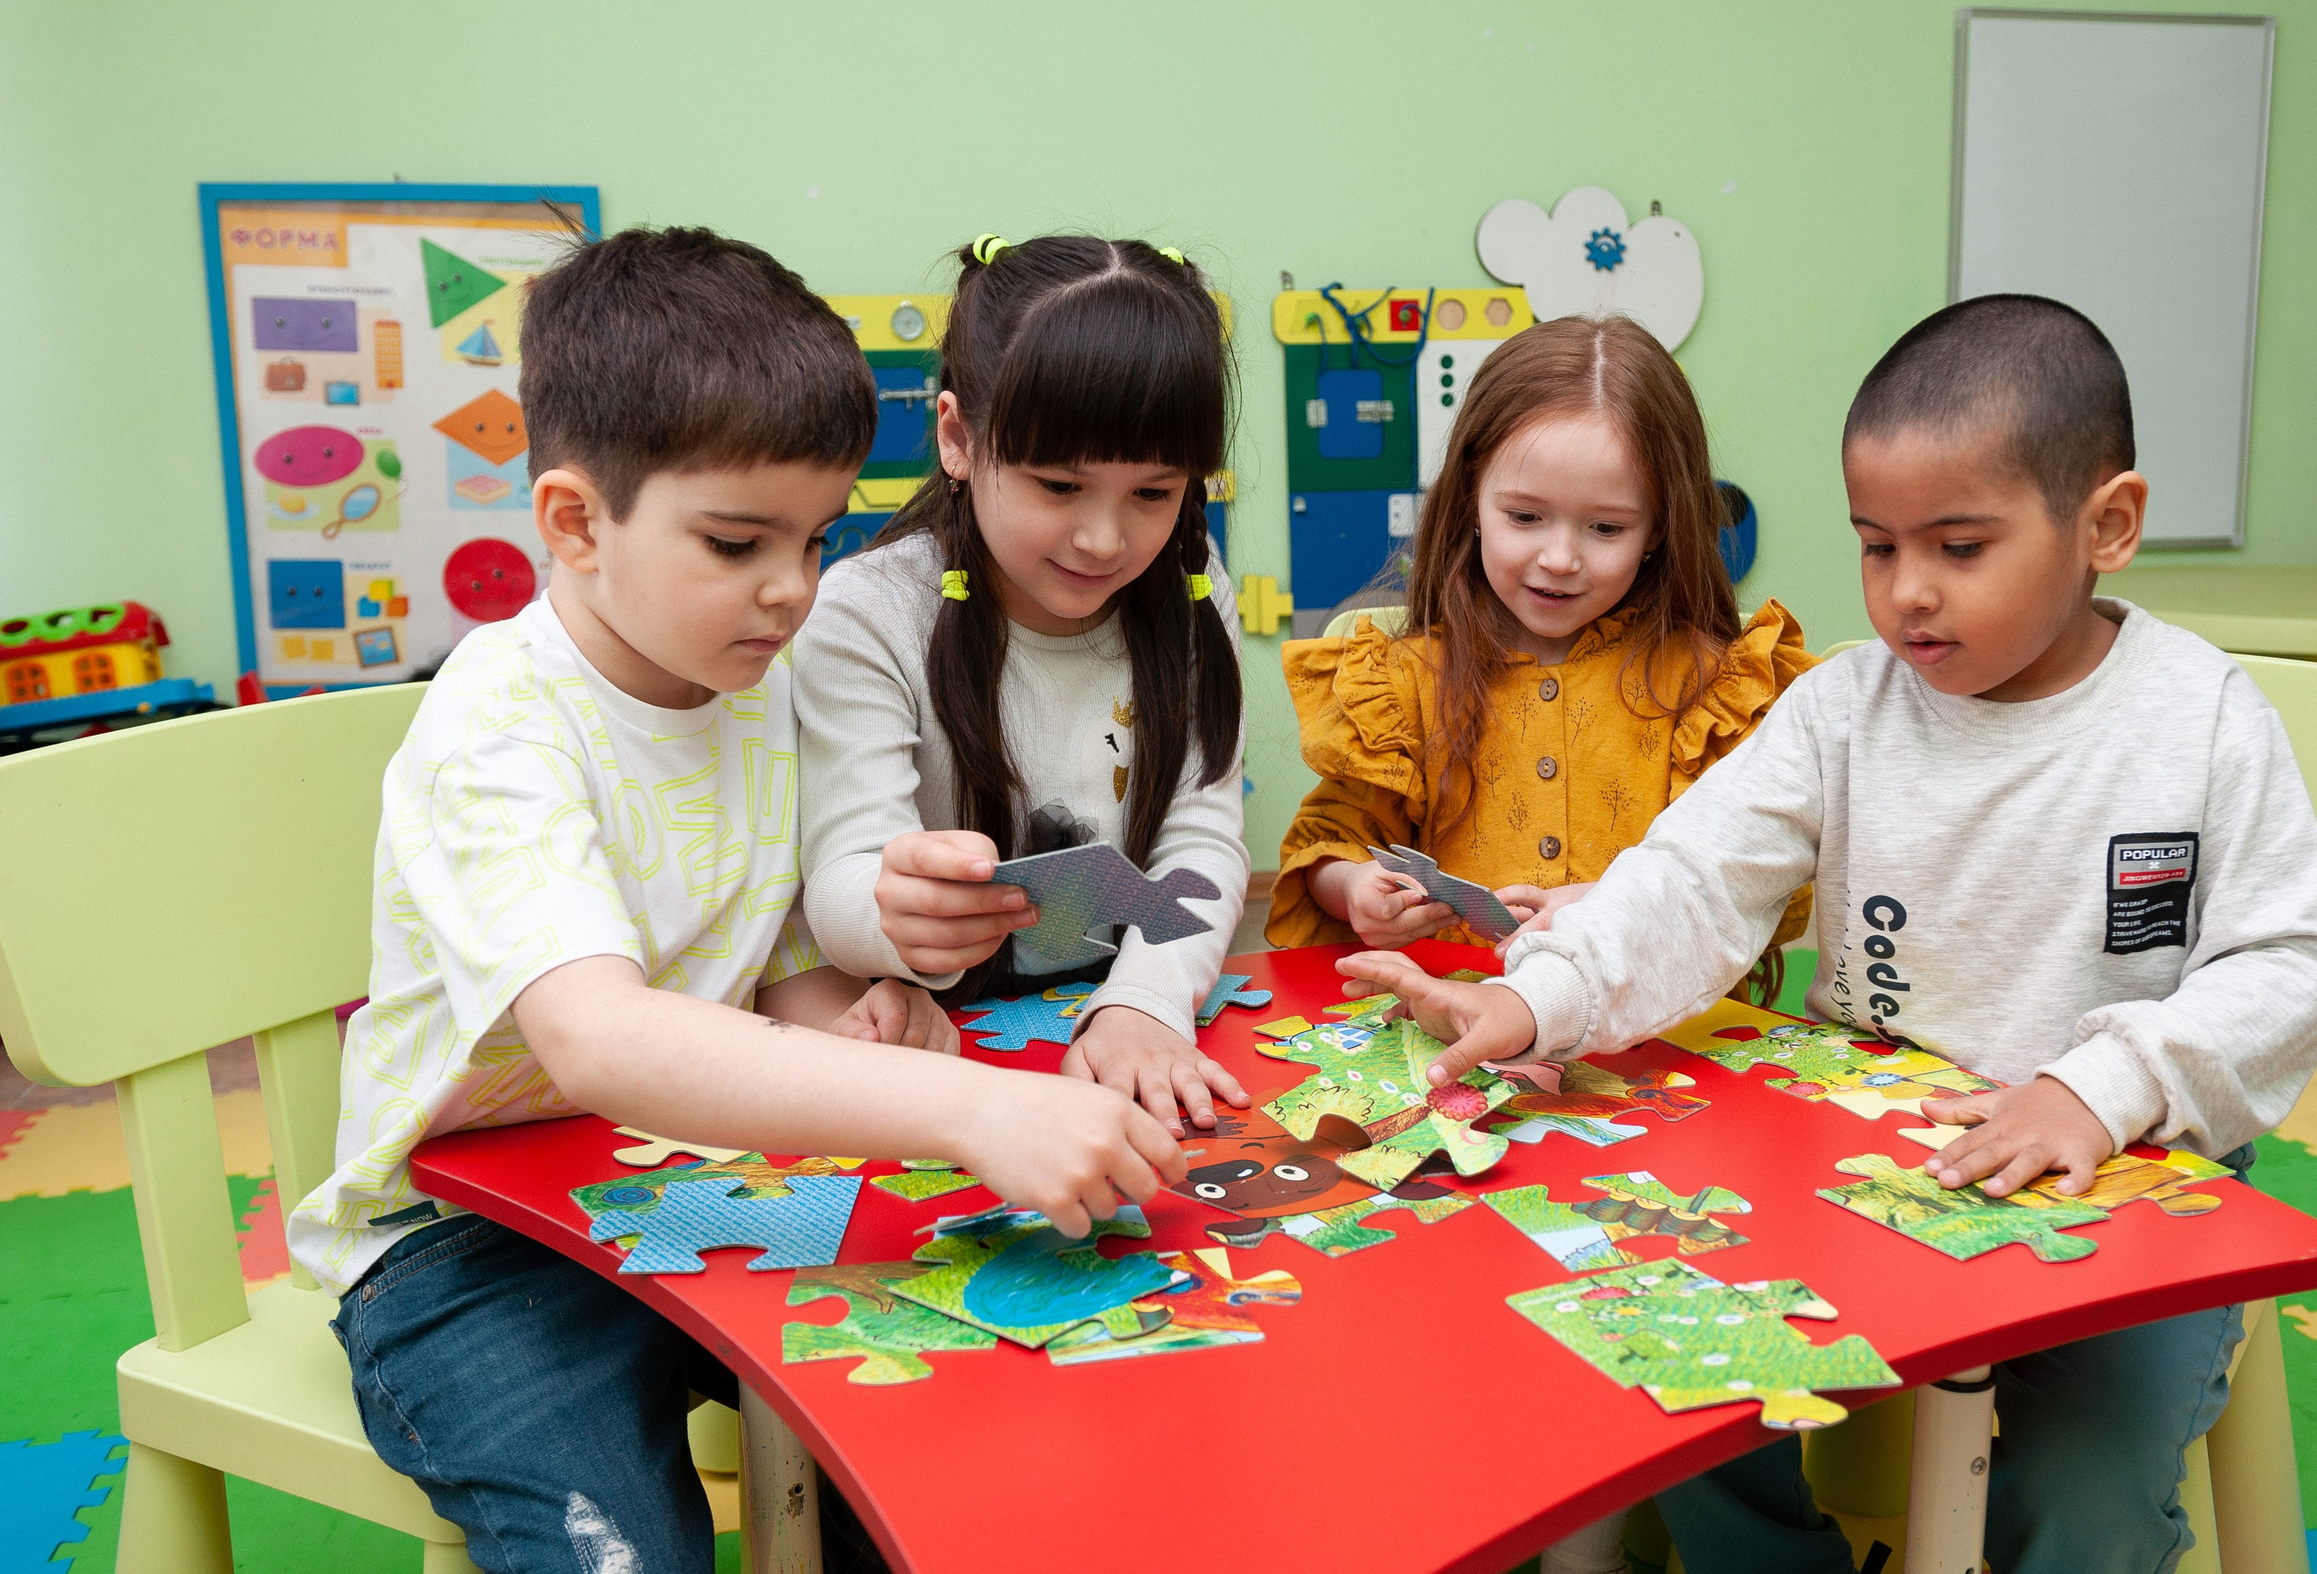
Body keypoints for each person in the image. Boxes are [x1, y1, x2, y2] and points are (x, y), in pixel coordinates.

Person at [1346, 295, 2317, 1574]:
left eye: (1959, 545)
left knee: (2079, 1480)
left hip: (2131, 1173)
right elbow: (1693, 877)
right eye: (1876, 546)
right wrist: (1534, 997)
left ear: (2106, 525)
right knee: (1674, 1353)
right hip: (1858, 1158)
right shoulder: (1842, 707)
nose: (1907, 592)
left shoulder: (2200, 717)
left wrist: (2099, 1088)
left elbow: (2291, 963)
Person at [289, 227, 1183, 1574]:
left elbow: (767, 958)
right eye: (735, 541)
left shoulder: (751, 688)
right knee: (626, 1549)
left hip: (688, 1181)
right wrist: (970, 1103)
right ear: (575, 523)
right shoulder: (499, 728)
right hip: (465, 1244)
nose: (793, 588)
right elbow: (601, 1036)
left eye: (817, 538)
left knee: (947, 1452)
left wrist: (851, 1015)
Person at [794, 233, 1253, 1135]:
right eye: (1058, 484)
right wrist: (899, 918)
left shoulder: (1193, 590)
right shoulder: (866, 612)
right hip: (936, 1052)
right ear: (958, 438)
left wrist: (1146, 1003)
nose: (1104, 540)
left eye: (1153, 494)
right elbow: (843, 877)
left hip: (1125, 1015)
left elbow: (1203, 835)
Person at [1266, 315, 1813, 1008]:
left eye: (1606, 527)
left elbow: (1765, 882)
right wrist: (1354, 890)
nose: (1559, 558)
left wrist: (1629, 904)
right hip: (1450, 1026)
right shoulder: (1405, 680)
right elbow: (1330, 843)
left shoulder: (1715, 687)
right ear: (1470, 499)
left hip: (1655, 1032)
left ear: (1658, 527)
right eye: (1525, 517)